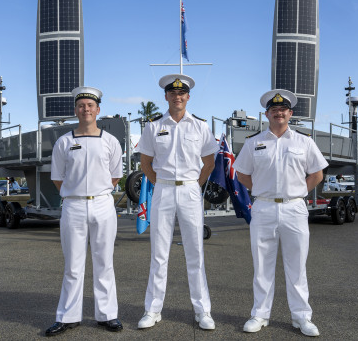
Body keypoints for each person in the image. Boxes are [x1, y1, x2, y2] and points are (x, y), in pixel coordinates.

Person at [233, 89, 328, 337]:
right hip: (263, 207)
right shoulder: (254, 143)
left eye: (283, 110)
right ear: (267, 114)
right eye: (274, 110)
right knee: (262, 266)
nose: (279, 113)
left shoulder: (304, 141)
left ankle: (301, 317)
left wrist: (297, 192)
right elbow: (241, 174)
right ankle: (260, 314)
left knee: (297, 266)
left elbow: (317, 174)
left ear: (290, 113)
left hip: (294, 208)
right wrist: (262, 190)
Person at [136, 74, 219, 331]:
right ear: (166, 97)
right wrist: (159, 181)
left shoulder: (200, 126)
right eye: (173, 93)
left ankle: (202, 310)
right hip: (163, 191)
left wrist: (195, 184)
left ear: (188, 97)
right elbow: (145, 163)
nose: (177, 97)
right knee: (159, 253)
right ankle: (153, 309)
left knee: (195, 253)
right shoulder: (153, 126)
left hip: (190, 191)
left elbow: (209, 162)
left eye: (182, 93)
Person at [46, 86, 124, 336]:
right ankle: (68, 316)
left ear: (98, 110)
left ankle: (107, 314)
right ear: (75, 110)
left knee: (104, 262)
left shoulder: (110, 141)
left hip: (102, 204)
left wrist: (97, 193)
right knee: (73, 265)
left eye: (90, 105)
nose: (86, 109)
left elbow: (115, 177)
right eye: (81, 105)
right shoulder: (64, 142)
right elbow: (58, 178)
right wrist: (77, 192)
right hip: (74, 205)